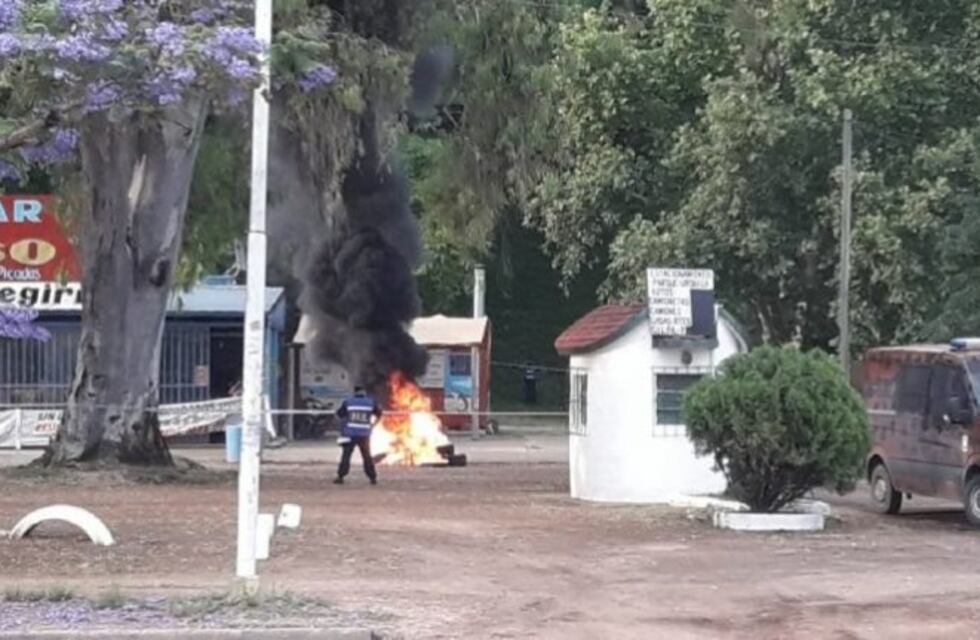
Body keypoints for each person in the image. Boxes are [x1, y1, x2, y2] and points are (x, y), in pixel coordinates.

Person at [334, 385, 382, 485]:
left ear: (354, 392)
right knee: (367, 457)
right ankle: (372, 478)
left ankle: (340, 477)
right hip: (364, 434)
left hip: (350, 434)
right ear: (364, 392)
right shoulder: (370, 402)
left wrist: (343, 426)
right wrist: (373, 425)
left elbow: (339, 415)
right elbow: (379, 414)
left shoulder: (348, 402)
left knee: (346, 456)